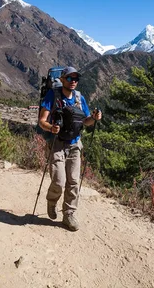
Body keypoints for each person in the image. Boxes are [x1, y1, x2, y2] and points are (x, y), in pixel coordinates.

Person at [38, 66, 101, 231]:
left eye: (76, 79)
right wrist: (51, 128)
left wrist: (93, 118)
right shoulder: (53, 95)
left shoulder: (80, 98)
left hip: (75, 143)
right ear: (63, 79)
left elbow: (85, 121)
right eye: (70, 78)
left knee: (73, 181)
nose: (73, 82)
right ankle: (52, 202)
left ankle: (69, 214)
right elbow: (42, 121)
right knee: (59, 181)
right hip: (57, 143)